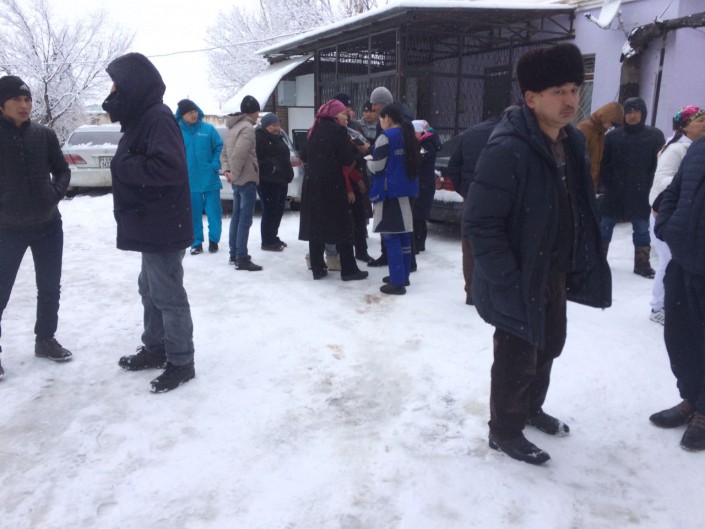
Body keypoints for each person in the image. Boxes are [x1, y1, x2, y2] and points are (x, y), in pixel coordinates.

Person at [464, 43, 611, 465]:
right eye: (557, 92)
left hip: (555, 270)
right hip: (519, 276)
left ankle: (530, 409)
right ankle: (504, 431)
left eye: (574, 90)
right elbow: (480, 224)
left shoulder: (572, 142)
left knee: (549, 345)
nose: (570, 100)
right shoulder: (508, 147)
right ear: (531, 99)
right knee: (516, 360)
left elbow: (578, 204)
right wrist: (508, 279)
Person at [102, 52, 196, 393]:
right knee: (150, 288)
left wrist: (122, 165)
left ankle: (181, 361)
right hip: (152, 223)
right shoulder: (141, 118)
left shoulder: (157, 118)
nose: (112, 92)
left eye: (116, 85)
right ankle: (156, 347)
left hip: (164, 225)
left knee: (167, 294)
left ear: (133, 85)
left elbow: (169, 168)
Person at [0, 75, 73, 380]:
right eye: (16, 99)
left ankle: (45, 339)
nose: (24, 105)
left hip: (48, 225)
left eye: (27, 99)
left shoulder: (44, 135)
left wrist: (54, 194)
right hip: (7, 229)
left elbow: (62, 170)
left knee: (50, 286)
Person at [652, 135, 705, 451]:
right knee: (681, 338)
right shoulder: (699, 147)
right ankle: (692, 398)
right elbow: (674, 190)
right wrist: (667, 226)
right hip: (684, 262)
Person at [298, 99, 369, 282]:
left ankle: (318, 268)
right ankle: (349, 269)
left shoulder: (314, 129)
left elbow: (303, 155)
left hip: (312, 184)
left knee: (316, 226)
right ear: (334, 115)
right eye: (343, 113)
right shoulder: (339, 131)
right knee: (344, 225)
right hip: (332, 184)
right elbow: (346, 159)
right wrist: (355, 148)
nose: (347, 117)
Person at [648, 106, 705, 326]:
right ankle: (658, 307)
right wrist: (690, 183)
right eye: (700, 121)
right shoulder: (676, 149)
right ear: (685, 127)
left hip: (681, 214)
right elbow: (661, 180)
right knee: (669, 262)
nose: (704, 124)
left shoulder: (693, 147)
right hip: (666, 212)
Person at [599, 97, 665, 278]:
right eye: (628, 112)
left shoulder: (654, 136)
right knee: (604, 227)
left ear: (643, 114)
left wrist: (649, 186)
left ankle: (642, 264)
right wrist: (608, 185)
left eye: (636, 111)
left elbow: (658, 165)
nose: (632, 116)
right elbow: (604, 164)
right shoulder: (613, 136)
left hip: (641, 192)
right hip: (614, 192)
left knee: (642, 229)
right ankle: (598, 262)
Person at [447, 112, 505, 306]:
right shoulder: (511, 134)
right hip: (502, 200)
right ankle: (495, 292)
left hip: (472, 199)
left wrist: (465, 190)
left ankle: (471, 292)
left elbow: (453, 166)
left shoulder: (470, 133)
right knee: (498, 245)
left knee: (470, 246)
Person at [368, 104, 420, 295]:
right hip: (407, 190)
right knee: (404, 235)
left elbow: (378, 166)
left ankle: (397, 282)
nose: (380, 122)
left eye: (381, 119)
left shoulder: (386, 137)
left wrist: (368, 163)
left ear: (387, 118)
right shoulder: (408, 135)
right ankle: (403, 276)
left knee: (391, 236)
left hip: (390, 192)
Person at [175, 98, 224, 255]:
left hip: (210, 178)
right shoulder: (177, 132)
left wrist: (215, 163)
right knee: (193, 213)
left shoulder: (208, 129)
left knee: (214, 212)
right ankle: (196, 243)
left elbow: (219, 146)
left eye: (195, 111)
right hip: (189, 180)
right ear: (182, 115)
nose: (194, 115)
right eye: (190, 112)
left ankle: (214, 240)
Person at [221, 95, 263, 271]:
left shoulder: (233, 127)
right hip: (245, 178)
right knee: (244, 220)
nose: (258, 115)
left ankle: (234, 254)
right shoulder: (247, 128)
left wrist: (228, 171)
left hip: (237, 179)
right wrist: (234, 174)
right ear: (252, 112)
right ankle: (241, 257)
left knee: (236, 218)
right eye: (257, 112)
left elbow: (224, 154)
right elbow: (239, 154)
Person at [333, 92, 373, 263]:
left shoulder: (355, 127)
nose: (348, 111)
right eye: (344, 108)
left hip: (358, 175)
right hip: (342, 179)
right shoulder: (333, 129)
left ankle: (361, 251)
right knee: (343, 219)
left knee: (359, 216)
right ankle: (340, 253)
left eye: (349, 108)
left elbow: (364, 149)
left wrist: (358, 158)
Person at [256, 112, 293, 251]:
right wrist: (271, 168)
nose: (276, 128)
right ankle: (267, 241)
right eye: (273, 125)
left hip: (281, 179)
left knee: (278, 210)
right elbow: (258, 159)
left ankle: (273, 236)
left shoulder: (279, 137)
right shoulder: (260, 138)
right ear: (265, 126)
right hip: (267, 181)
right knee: (270, 210)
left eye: (278, 125)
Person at [576, 102, 624, 191]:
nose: (611, 127)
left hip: (589, 182)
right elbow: (577, 156)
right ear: (607, 116)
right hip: (582, 182)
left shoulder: (600, 132)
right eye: (612, 123)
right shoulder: (586, 128)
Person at [411, 119, 442, 253]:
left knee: (418, 214)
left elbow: (418, 159)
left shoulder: (427, 145)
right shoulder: (426, 142)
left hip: (424, 184)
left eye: (413, 132)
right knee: (418, 214)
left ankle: (418, 243)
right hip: (423, 183)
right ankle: (418, 242)